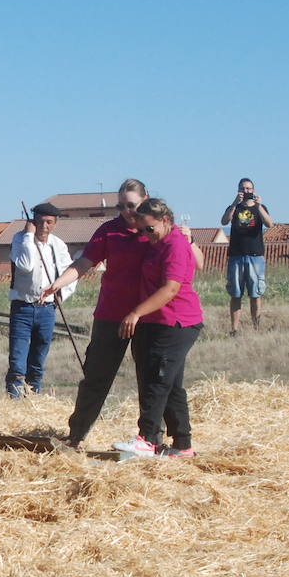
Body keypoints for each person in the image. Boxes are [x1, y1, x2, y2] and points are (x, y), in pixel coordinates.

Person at [40, 179, 204, 449]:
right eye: (122, 206)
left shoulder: (160, 232)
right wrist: (59, 282)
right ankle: (76, 436)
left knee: (151, 379)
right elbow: (84, 261)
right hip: (112, 314)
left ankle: (152, 441)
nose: (127, 211)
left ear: (147, 202)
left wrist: (192, 238)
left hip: (150, 317)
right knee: (96, 376)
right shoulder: (110, 231)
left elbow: (195, 263)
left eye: (132, 205)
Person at [112, 198, 203, 457]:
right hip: (157, 321)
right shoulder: (157, 242)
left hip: (177, 322)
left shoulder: (174, 244)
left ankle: (148, 439)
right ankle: (183, 445)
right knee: (171, 384)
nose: (145, 235)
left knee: (157, 379)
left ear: (165, 221)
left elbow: (171, 288)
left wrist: (135, 313)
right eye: (141, 230)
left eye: (149, 229)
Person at [5, 202, 75, 398]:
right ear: (33, 221)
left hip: (47, 310)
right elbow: (25, 266)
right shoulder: (19, 239)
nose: (45, 226)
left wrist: (61, 294)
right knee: (18, 361)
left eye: (50, 222)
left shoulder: (58, 245)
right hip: (23, 308)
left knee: (38, 361)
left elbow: (70, 272)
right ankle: (14, 403)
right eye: (41, 221)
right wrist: (28, 235)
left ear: (55, 223)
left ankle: (34, 400)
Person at [220, 177, 273, 335]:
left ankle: (256, 328)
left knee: (255, 294)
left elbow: (270, 224)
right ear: (238, 190)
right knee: (236, 294)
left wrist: (258, 206)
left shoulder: (260, 207)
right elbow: (224, 221)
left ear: (254, 190)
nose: (246, 191)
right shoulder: (233, 207)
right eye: (243, 188)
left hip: (256, 256)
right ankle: (234, 329)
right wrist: (235, 203)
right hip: (236, 256)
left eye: (249, 188)